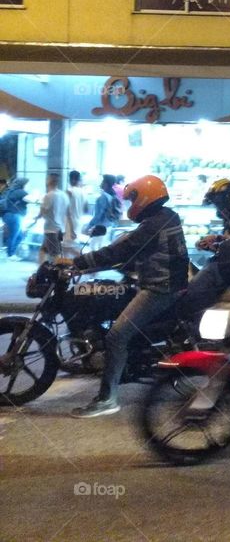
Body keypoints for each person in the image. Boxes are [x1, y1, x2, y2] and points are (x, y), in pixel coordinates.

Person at [68, 175, 189, 418]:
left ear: (145, 197)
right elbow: (133, 250)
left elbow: (121, 249)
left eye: (133, 198)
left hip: (160, 289)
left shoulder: (154, 225)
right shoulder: (166, 217)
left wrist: (79, 262)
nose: (130, 204)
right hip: (164, 284)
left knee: (116, 335)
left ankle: (107, 399)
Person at [178, 179, 230, 322]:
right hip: (228, 264)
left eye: (218, 203)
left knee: (193, 291)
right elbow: (229, 244)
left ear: (229, 199)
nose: (217, 207)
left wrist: (218, 237)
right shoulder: (229, 218)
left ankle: (194, 323)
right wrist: (210, 246)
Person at [35, 173, 68, 265]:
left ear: (49, 181)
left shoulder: (49, 196)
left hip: (51, 229)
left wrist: (37, 217)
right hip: (60, 228)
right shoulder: (64, 195)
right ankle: (41, 269)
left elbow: (43, 212)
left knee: (55, 254)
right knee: (43, 250)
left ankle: (59, 271)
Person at [84, 175, 122, 251]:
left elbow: (98, 216)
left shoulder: (103, 198)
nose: (101, 183)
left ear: (106, 184)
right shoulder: (114, 196)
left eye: (102, 181)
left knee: (93, 249)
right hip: (109, 226)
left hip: (100, 228)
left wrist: (89, 227)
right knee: (102, 248)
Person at [1, 177, 28, 260]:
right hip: (14, 216)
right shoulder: (21, 192)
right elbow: (30, 199)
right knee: (14, 235)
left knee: (19, 236)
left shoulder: (10, 191)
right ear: (23, 184)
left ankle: (11, 253)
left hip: (6, 215)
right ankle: (10, 254)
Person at [64, 170, 85, 257]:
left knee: (67, 248)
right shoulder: (83, 192)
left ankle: (85, 261)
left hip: (70, 223)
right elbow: (86, 208)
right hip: (78, 221)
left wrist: (71, 229)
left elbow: (67, 211)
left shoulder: (69, 191)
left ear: (71, 179)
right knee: (69, 247)